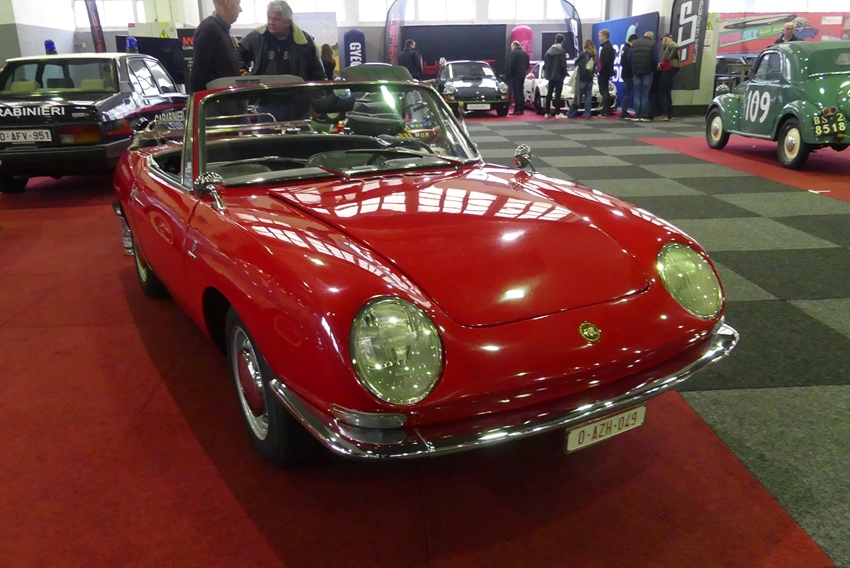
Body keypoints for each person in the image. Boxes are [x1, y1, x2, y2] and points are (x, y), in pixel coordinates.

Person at [237, 0, 326, 80]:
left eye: (276, 19)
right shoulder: (258, 36)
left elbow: (318, 75)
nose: (271, 23)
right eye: (269, 18)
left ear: (288, 22)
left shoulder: (305, 42)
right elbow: (238, 52)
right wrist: (242, 72)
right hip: (263, 92)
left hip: (295, 92)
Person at [189, 0, 244, 93]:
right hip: (218, 99)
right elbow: (198, 73)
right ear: (227, 3)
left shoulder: (221, 30)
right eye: (238, 4)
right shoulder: (209, 30)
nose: (241, 10)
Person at [630, 31, 657, 122]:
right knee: (645, 94)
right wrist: (652, 69)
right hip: (648, 72)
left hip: (636, 72)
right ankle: (644, 115)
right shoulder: (653, 44)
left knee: (637, 93)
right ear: (651, 37)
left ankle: (637, 114)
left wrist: (634, 68)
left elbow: (629, 58)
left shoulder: (635, 43)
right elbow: (655, 59)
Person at [566, 40, 596, 119]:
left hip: (582, 78)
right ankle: (587, 114)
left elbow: (576, 63)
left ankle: (572, 113)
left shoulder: (583, 54)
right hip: (590, 78)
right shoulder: (594, 55)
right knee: (588, 96)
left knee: (578, 96)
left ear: (585, 45)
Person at [543, 34, 568, 118]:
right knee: (558, 94)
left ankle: (547, 112)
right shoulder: (561, 52)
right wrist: (564, 74)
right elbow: (563, 65)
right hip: (559, 76)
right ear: (562, 41)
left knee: (549, 94)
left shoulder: (548, 52)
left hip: (550, 76)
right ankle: (557, 113)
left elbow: (545, 65)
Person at [656, 33, 680, 121]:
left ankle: (665, 113)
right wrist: (661, 63)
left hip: (668, 71)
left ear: (666, 38)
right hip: (668, 70)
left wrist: (670, 58)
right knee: (667, 93)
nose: (662, 41)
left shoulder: (671, 44)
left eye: (663, 39)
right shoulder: (667, 47)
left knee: (662, 92)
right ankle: (669, 113)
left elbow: (676, 47)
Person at [506, 41, 530, 115]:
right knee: (521, 92)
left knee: (516, 92)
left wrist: (509, 74)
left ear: (514, 46)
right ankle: (521, 109)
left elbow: (511, 65)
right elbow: (528, 65)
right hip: (522, 75)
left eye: (512, 47)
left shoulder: (513, 53)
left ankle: (517, 110)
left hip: (515, 75)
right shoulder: (525, 54)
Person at [597, 29, 615, 116]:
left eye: (600, 36)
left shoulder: (606, 48)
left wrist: (600, 71)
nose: (599, 38)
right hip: (607, 71)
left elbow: (605, 62)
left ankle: (605, 110)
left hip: (604, 72)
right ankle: (606, 110)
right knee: (605, 91)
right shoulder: (609, 46)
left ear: (605, 36)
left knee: (604, 91)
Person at [620, 34, 638, 119]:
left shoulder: (624, 48)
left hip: (625, 73)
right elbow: (629, 62)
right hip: (629, 74)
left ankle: (624, 110)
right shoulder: (629, 49)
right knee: (628, 93)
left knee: (625, 93)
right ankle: (624, 111)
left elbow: (622, 62)